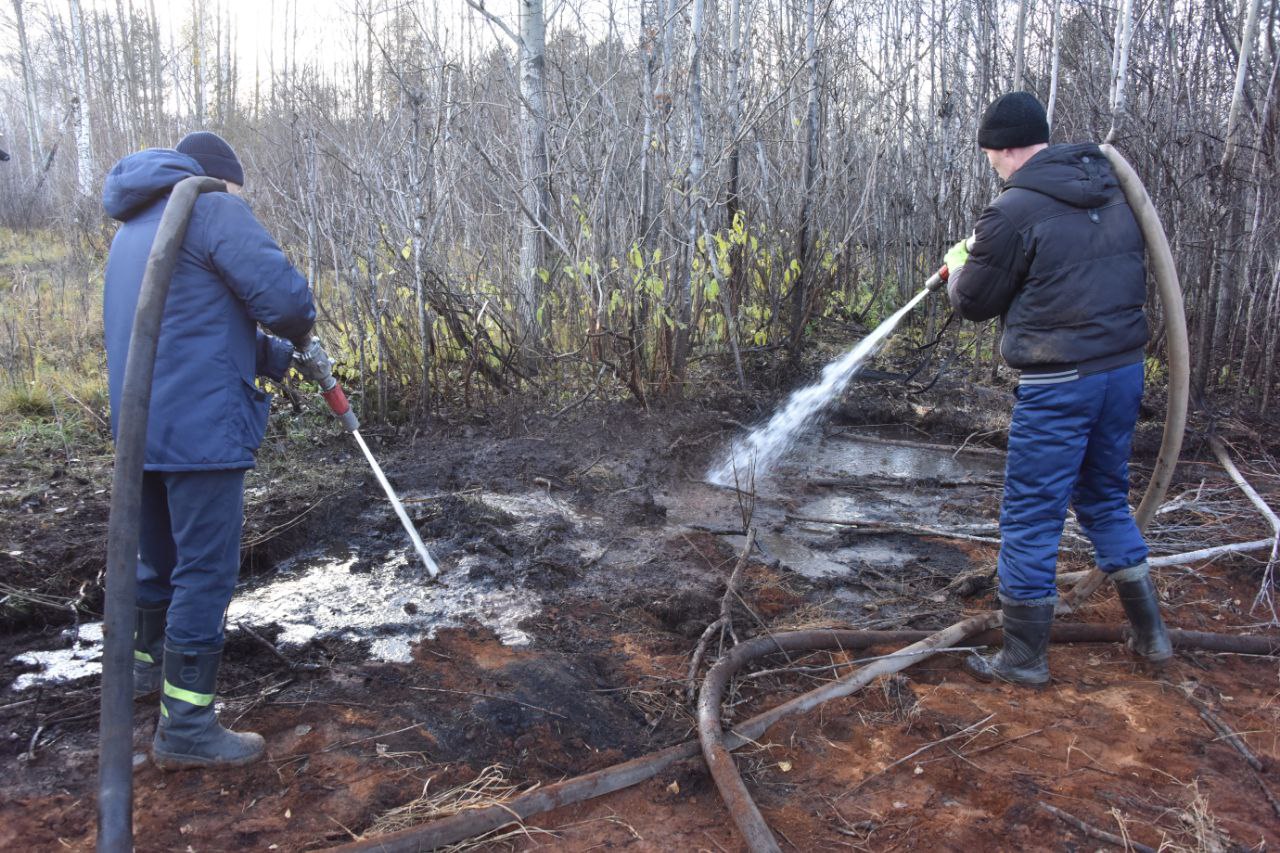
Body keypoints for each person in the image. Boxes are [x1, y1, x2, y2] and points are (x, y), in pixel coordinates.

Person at [939, 92, 1172, 685]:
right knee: (1102, 499)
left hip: (1060, 383)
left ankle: (1023, 658)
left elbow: (973, 301)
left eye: (989, 151)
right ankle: (1153, 638)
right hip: (1121, 373)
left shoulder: (1012, 211)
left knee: (1031, 515)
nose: (989, 161)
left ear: (1005, 147)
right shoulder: (1111, 188)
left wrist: (960, 264)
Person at [103, 131, 316, 767]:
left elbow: (188, 325)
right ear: (221, 178)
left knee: (156, 563)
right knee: (205, 573)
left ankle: (144, 675)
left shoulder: (136, 226)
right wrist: (299, 332)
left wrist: (277, 359)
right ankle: (187, 727)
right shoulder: (211, 206)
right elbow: (284, 301)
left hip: (142, 433)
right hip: (201, 435)